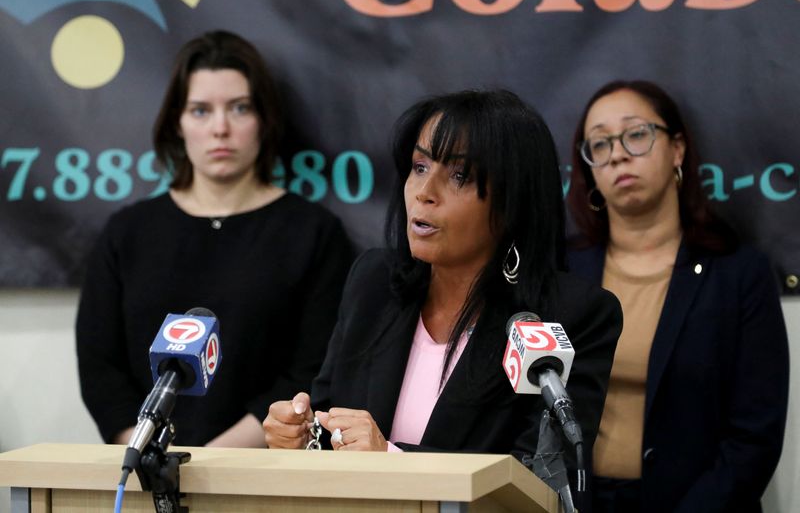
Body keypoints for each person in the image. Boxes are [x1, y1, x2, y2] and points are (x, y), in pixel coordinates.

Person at [263, 90, 622, 509]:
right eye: (419, 167)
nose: (424, 192)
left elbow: (541, 485)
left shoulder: (567, 316)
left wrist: (391, 462)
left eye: (459, 176)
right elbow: (329, 424)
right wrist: (301, 436)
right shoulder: (374, 283)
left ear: (512, 201)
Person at [76, 30, 353, 447]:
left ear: (264, 120)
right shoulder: (127, 232)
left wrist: (212, 461)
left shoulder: (313, 233)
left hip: (266, 475)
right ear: (178, 123)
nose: (220, 128)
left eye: (239, 108)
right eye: (201, 110)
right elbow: (100, 365)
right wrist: (149, 453)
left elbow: (312, 367)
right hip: (144, 474)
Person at [565, 80, 789, 512]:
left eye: (636, 134)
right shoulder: (565, 271)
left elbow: (754, 437)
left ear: (678, 150)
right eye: (600, 144)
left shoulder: (738, 274)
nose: (618, 154)